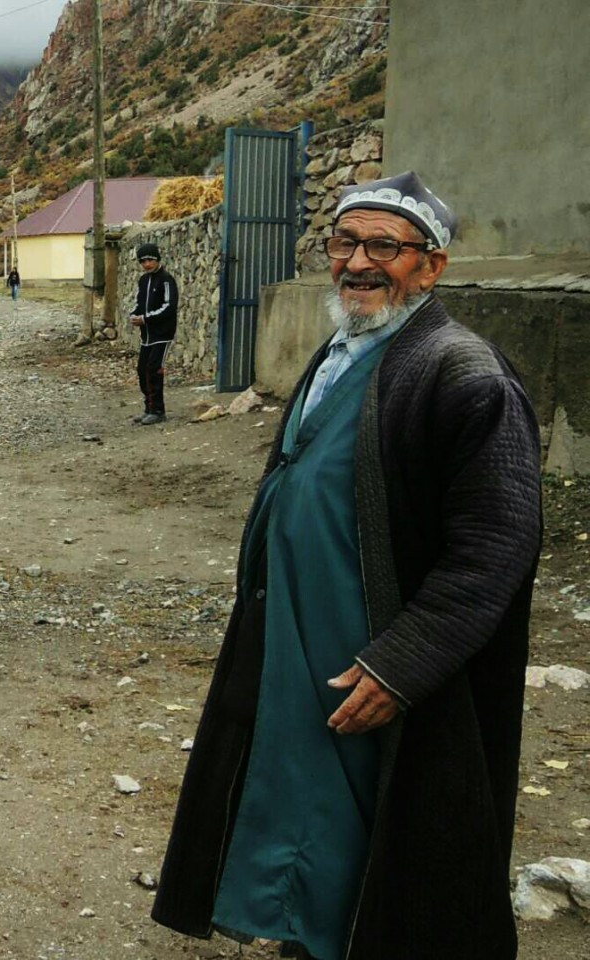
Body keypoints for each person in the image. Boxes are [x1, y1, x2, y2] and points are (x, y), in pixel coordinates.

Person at [151, 171, 543, 960]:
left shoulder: (462, 373)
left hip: (383, 656)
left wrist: (402, 665)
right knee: (312, 807)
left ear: (429, 266)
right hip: (307, 644)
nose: (357, 262)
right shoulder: (343, 348)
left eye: (383, 246)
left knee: (396, 831)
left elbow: (497, 542)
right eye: (344, 241)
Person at [128, 242, 178, 425]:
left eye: (150, 260)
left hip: (162, 334)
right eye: (143, 261)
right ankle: (148, 408)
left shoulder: (166, 280)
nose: (147, 264)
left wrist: (146, 318)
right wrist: (134, 315)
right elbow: (138, 303)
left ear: (157, 260)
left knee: (154, 370)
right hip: (147, 336)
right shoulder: (143, 280)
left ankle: (158, 410)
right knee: (142, 371)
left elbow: (169, 306)